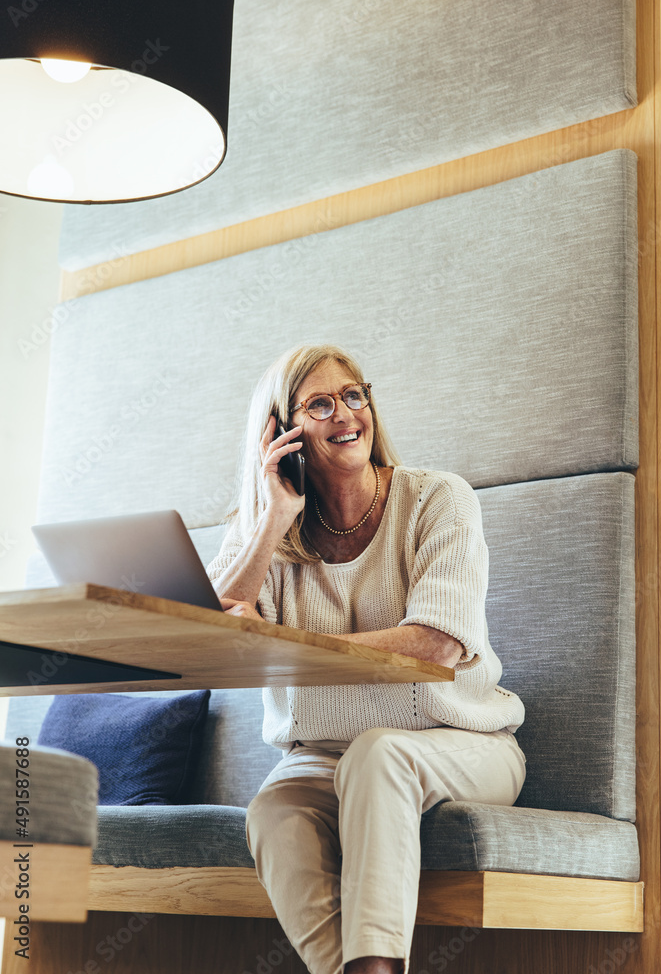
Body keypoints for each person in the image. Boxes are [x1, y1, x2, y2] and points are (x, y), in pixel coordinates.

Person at [206, 343, 526, 974]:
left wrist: (292, 648)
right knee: (273, 809)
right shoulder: (267, 529)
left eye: (354, 395)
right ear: (281, 431)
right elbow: (214, 633)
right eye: (319, 404)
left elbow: (436, 641)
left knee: (379, 753)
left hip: (463, 742)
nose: (346, 414)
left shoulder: (438, 499)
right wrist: (273, 518)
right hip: (320, 758)